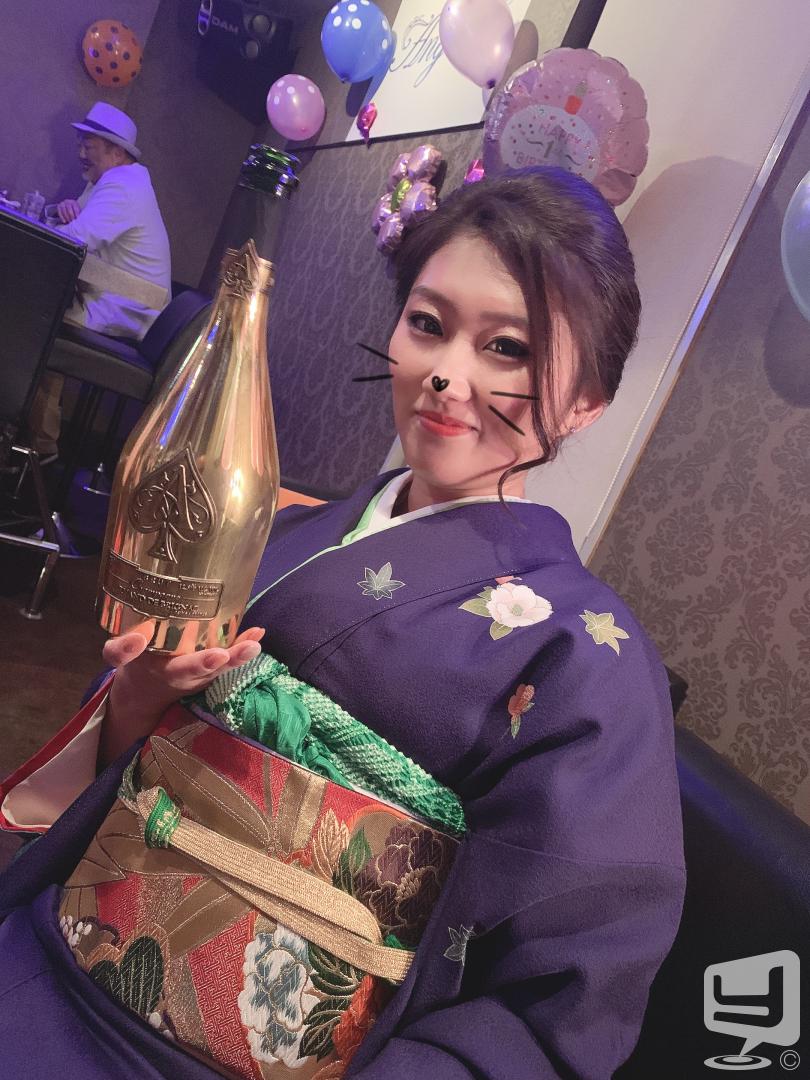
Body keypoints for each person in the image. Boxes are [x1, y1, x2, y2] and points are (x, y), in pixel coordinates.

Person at [0, 167, 685, 1079]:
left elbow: (555, 1005)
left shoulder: (588, 662)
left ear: (587, 400)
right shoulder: (281, 527)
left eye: (507, 348)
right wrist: (134, 702)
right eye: (428, 324)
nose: (445, 375)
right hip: (57, 946)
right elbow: (131, 758)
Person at [29, 102, 171, 458]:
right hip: (112, 297)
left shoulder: (122, 186)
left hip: (128, 308)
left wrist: (47, 226)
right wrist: (61, 213)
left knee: (32, 315)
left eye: (87, 145)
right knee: (35, 307)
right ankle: (36, 434)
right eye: (81, 144)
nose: (80, 153)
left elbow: (76, 240)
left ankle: (39, 442)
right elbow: (78, 230)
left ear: (116, 151)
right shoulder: (112, 181)